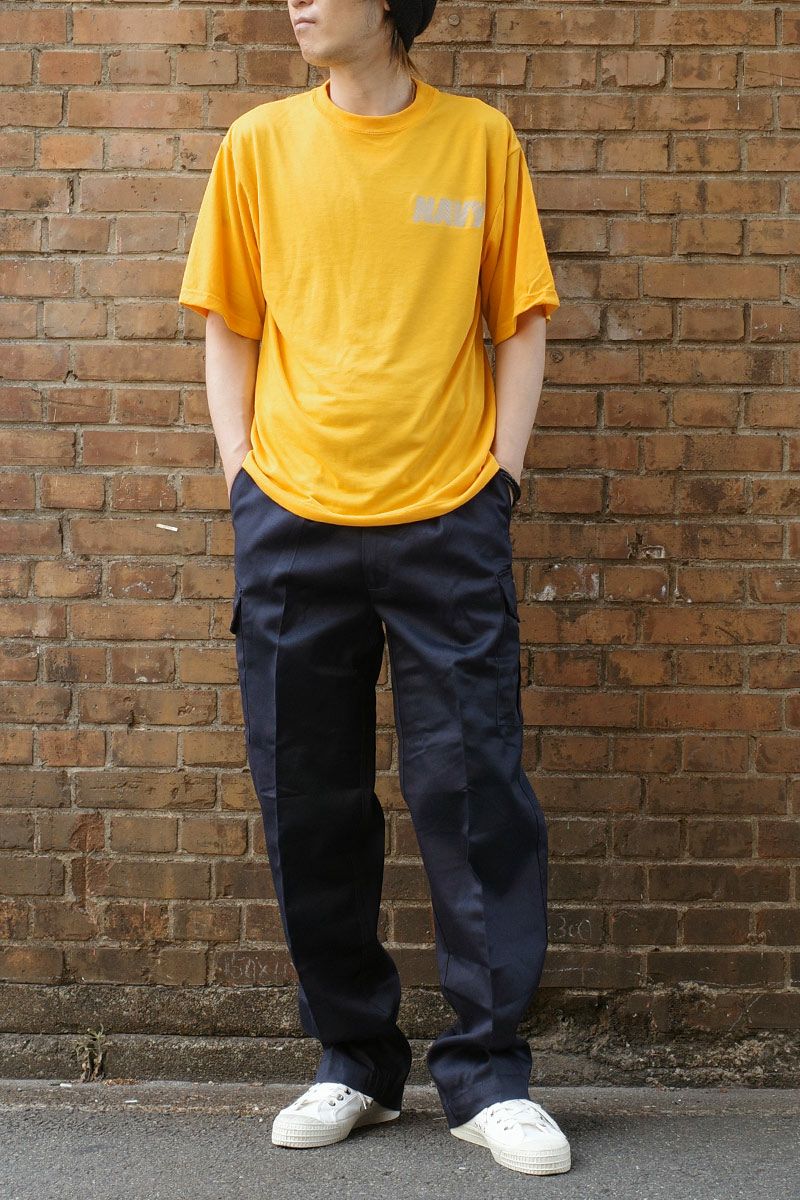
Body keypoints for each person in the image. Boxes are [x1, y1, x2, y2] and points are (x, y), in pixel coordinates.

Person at [178, 0, 569, 1177]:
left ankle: (488, 1076)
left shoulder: (477, 142)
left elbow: (519, 321)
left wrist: (498, 482)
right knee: (308, 798)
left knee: (473, 792)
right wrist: (242, 478)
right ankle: (351, 1059)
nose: (298, 1)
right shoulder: (257, 145)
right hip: (291, 519)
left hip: (448, 518)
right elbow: (229, 324)